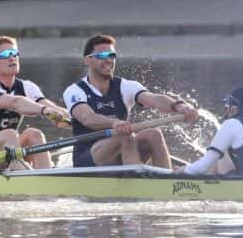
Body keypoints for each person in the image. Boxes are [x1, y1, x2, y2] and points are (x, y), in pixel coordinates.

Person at [62, 34, 200, 169]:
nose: (109, 60)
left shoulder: (125, 86)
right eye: (102, 56)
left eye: (112, 55)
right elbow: (88, 118)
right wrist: (114, 122)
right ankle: (137, 182)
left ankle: (166, 182)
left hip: (123, 150)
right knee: (124, 135)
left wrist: (179, 105)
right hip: (89, 156)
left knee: (154, 134)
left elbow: (154, 99)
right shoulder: (74, 91)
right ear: (87, 60)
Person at [0, 36, 70, 169]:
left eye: (15, 53)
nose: (12, 58)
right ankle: (27, 178)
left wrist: (72, 118)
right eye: (5, 54)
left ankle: (45, 175)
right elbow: (16, 102)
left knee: (34, 134)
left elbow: (52, 107)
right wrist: (43, 110)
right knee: (10, 134)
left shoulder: (27, 86)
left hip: (7, 153)